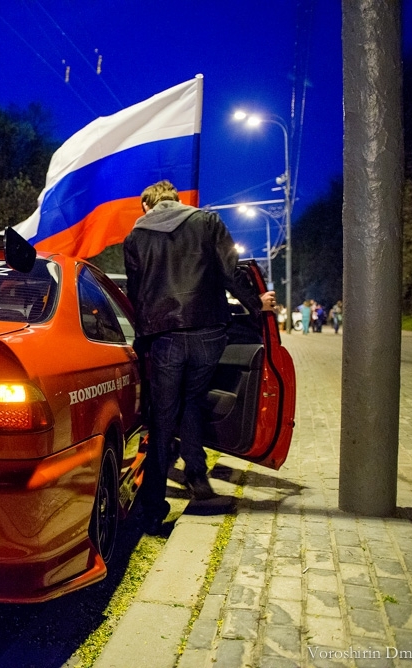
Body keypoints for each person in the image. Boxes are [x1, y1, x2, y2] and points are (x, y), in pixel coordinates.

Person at [124, 180, 274, 535]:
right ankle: (197, 475)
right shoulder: (207, 222)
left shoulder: (135, 238)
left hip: (164, 337)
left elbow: (136, 295)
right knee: (192, 401)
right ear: (176, 201)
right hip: (209, 331)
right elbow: (230, 273)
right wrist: (258, 305)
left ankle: (153, 509)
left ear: (147, 206)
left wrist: (142, 339)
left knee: (163, 418)